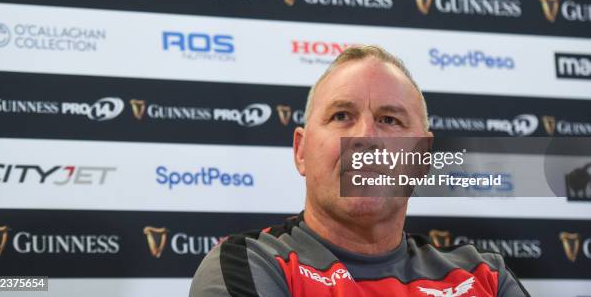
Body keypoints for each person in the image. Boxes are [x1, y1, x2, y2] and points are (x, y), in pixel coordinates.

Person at [190, 45, 529, 297]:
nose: (365, 137)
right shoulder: (250, 263)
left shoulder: (485, 275)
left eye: (389, 120)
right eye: (341, 116)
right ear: (301, 151)